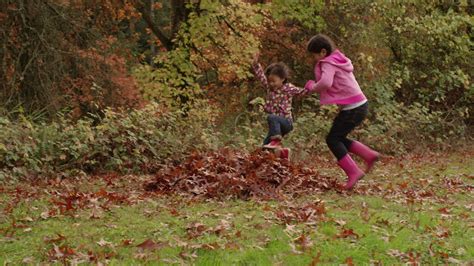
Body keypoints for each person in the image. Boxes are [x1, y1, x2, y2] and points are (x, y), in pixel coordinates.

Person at [304, 34, 380, 189]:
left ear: (323, 52)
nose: (314, 59)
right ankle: (368, 155)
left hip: (354, 108)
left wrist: (312, 87)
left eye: (314, 55)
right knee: (337, 137)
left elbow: (326, 82)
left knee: (332, 139)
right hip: (359, 105)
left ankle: (353, 172)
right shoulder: (338, 60)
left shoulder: (328, 63)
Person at [252, 54, 306, 160]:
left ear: (282, 79)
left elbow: (300, 92)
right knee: (265, 146)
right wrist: (255, 64)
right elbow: (261, 76)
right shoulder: (269, 87)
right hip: (276, 126)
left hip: (286, 122)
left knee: (271, 117)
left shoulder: (287, 88)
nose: (271, 84)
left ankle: (276, 140)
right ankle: (283, 155)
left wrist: (310, 88)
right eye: (270, 81)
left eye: (274, 81)